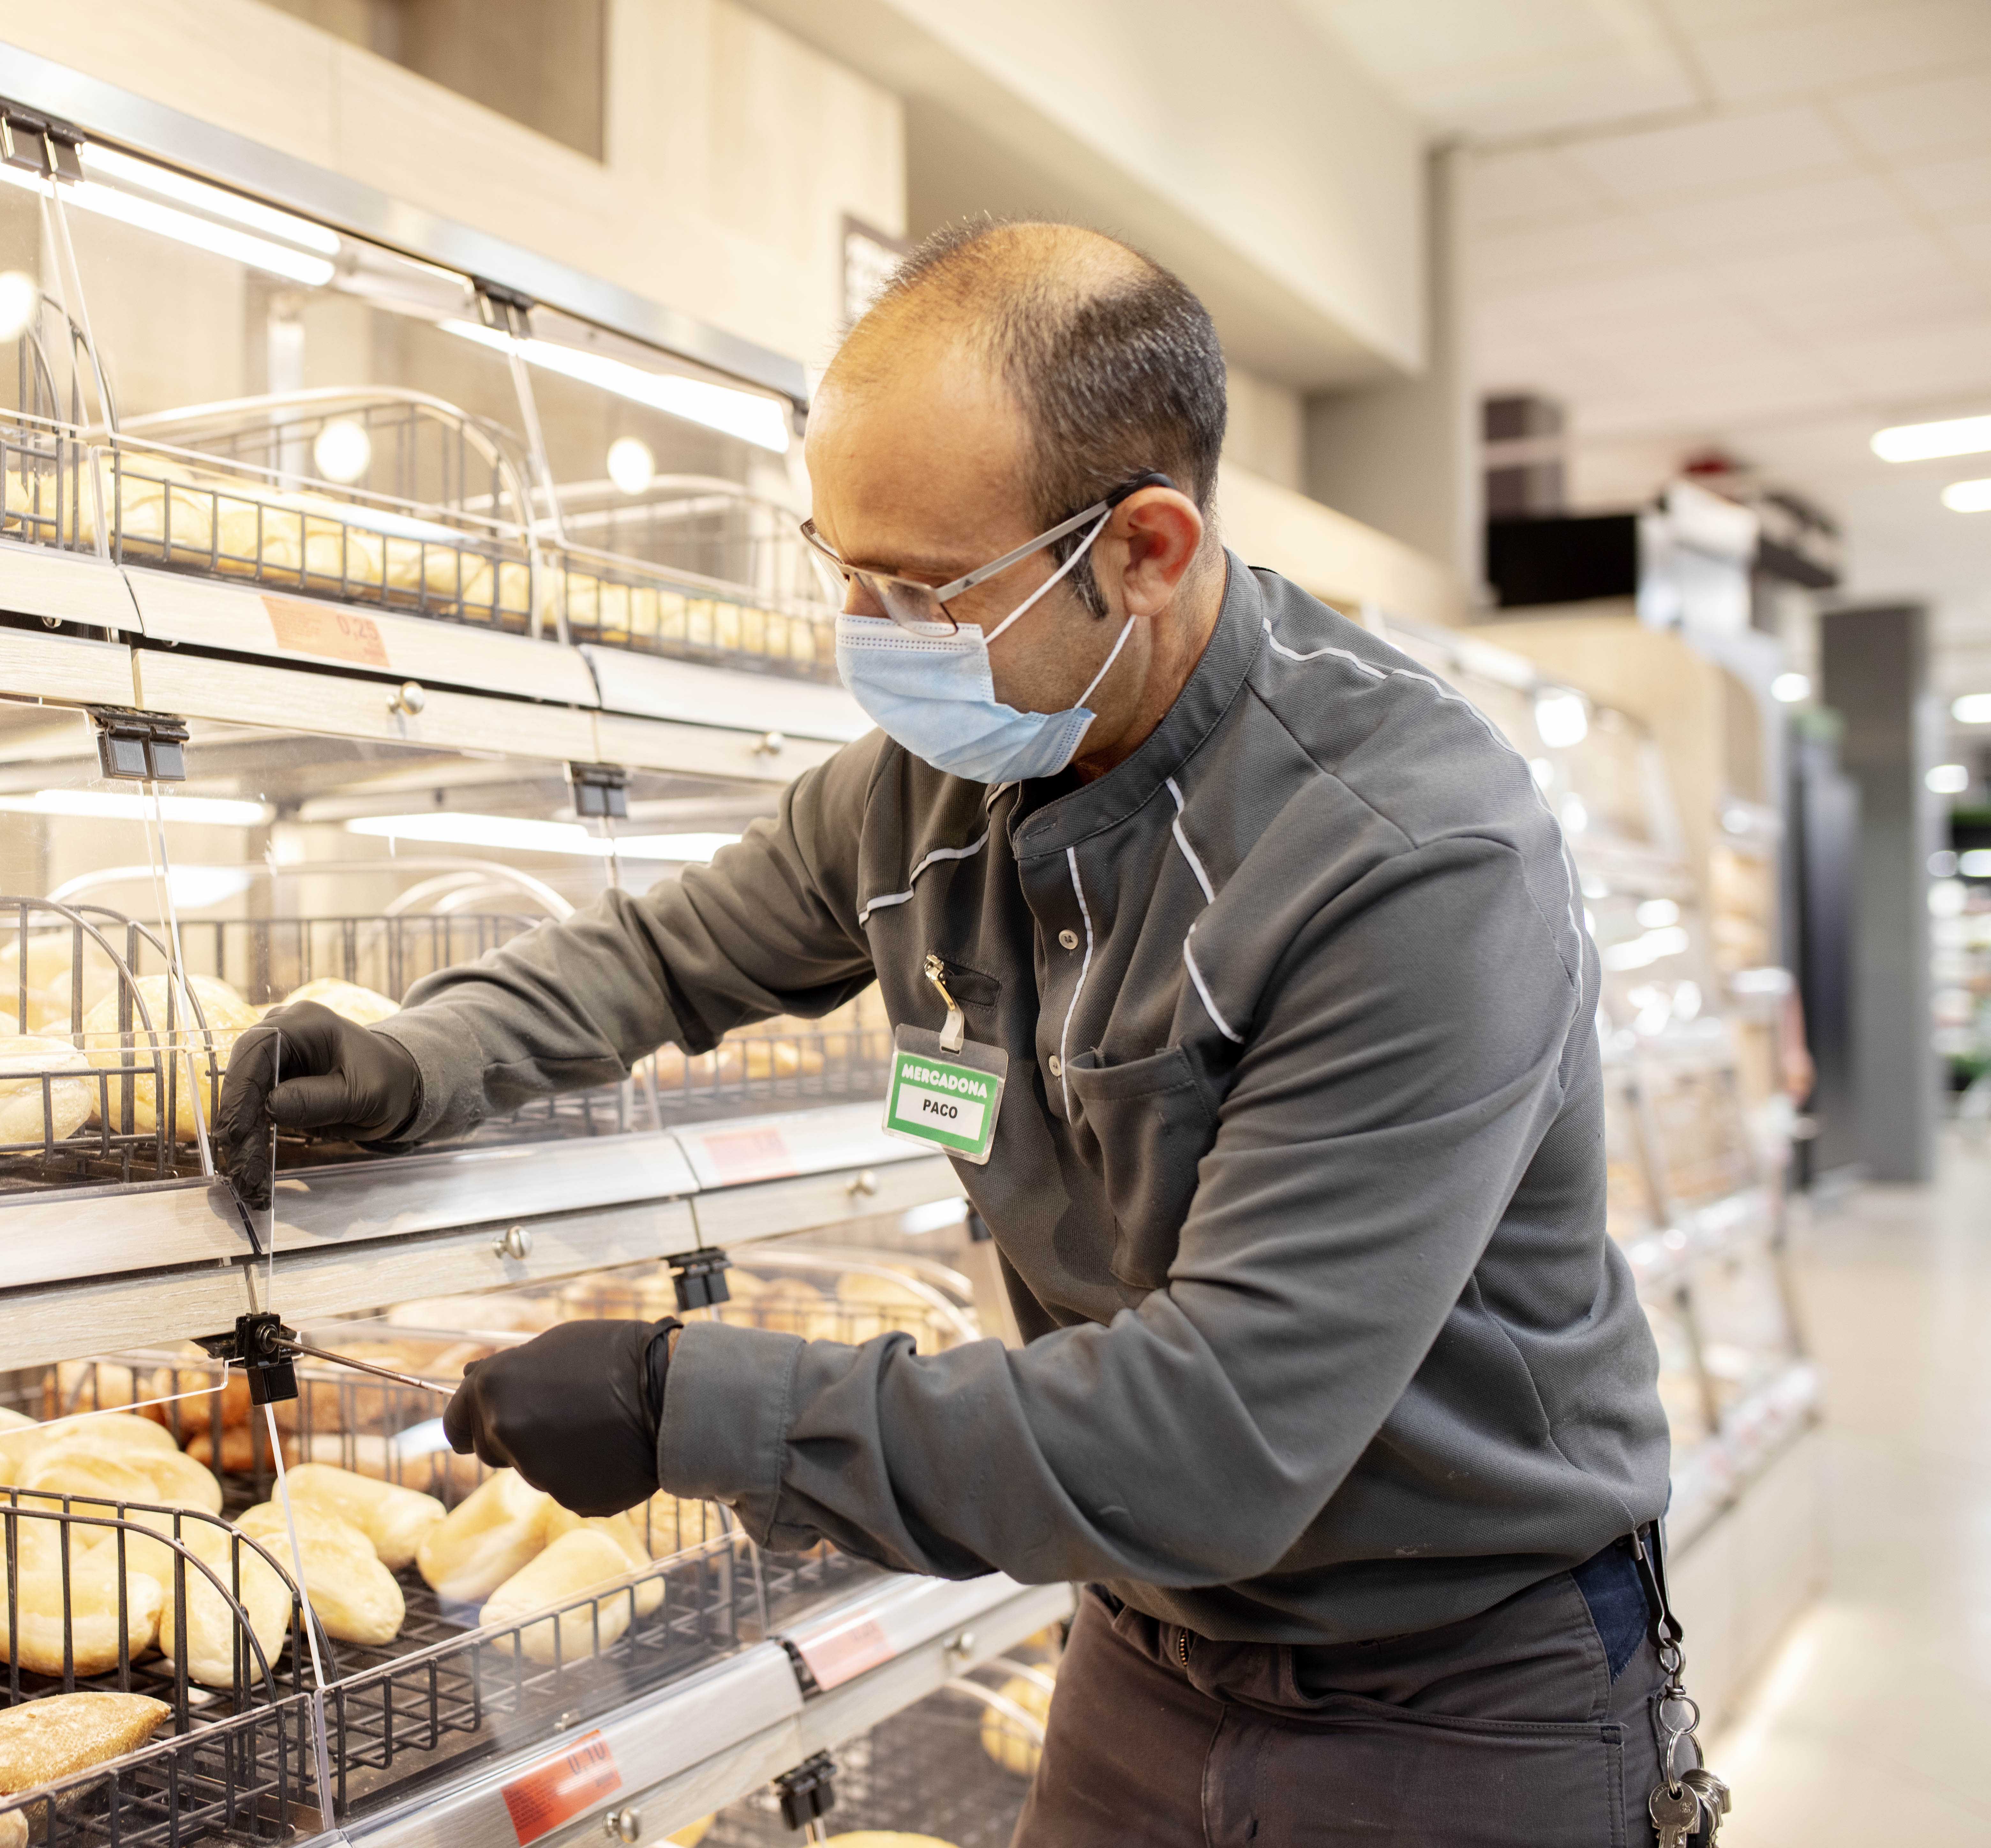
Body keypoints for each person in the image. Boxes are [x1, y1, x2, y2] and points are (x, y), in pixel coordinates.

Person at [215, 221, 1677, 1845]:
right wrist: (426, 1055)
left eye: (920, 585)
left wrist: (680, 1397)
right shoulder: (938, 782)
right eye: (839, 564)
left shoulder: (1407, 857)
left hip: (1457, 1692)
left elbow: (1217, 1436)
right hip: (1143, 1638)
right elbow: (670, 951)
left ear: (1147, 546)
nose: (867, 628)